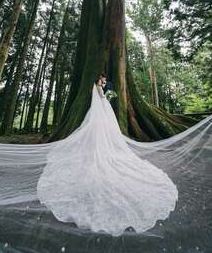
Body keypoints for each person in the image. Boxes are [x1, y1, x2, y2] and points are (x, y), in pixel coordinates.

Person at [37, 76, 179, 235]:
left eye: (104, 80)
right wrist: (106, 93)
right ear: (99, 80)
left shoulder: (102, 86)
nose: (103, 81)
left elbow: (106, 96)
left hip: (105, 111)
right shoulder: (97, 87)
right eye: (102, 80)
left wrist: (108, 92)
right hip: (102, 110)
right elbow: (102, 97)